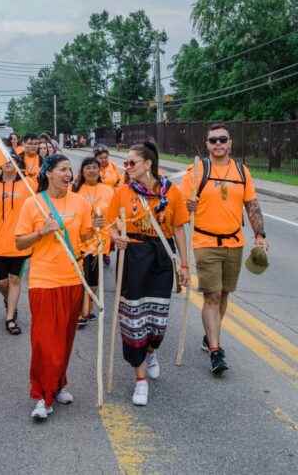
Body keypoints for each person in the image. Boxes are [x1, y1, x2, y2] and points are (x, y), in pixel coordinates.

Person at [15, 154, 103, 422]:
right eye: (63, 170)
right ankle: (42, 395)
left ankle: (59, 383)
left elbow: (86, 236)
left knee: (65, 339)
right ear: (49, 173)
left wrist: (96, 228)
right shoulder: (33, 203)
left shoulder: (80, 202)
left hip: (73, 279)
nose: (68, 174)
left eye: (69, 170)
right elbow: (19, 243)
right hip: (44, 281)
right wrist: (41, 232)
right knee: (44, 342)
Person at [180, 123, 268, 377]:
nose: (218, 144)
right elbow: (181, 210)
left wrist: (260, 235)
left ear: (230, 143)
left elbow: (252, 204)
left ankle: (210, 337)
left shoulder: (242, 171)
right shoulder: (196, 172)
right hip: (205, 242)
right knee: (212, 295)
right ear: (206, 145)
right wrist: (190, 205)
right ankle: (216, 350)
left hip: (234, 242)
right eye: (213, 141)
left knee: (225, 294)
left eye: (222, 140)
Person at [108, 141, 189, 406]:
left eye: (132, 162)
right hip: (133, 255)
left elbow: (178, 230)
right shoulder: (122, 192)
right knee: (133, 320)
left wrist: (184, 265)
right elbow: (111, 225)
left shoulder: (172, 193)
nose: (127, 166)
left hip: (161, 256)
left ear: (147, 164)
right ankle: (139, 379)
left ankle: (151, 350)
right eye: (126, 162)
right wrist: (116, 237)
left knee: (157, 322)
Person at [0, 152, 34, 335]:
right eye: (4, 161)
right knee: (2, 282)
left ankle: (10, 318)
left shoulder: (28, 184)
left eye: (13, 161)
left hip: (21, 242)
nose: (8, 163)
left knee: (15, 279)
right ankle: (8, 300)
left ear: (19, 164)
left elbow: (38, 209)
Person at [72, 157, 114, 328]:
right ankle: (82, 313)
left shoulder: (108, 190)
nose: (91, 170)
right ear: (82, 171)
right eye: (87, 167)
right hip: (80, 241)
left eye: (94, 167)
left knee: (94, 281)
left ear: (99, 171)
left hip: (99, 243)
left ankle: (86, 308)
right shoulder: (75, 190)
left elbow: (114, 215)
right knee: (82, 279)